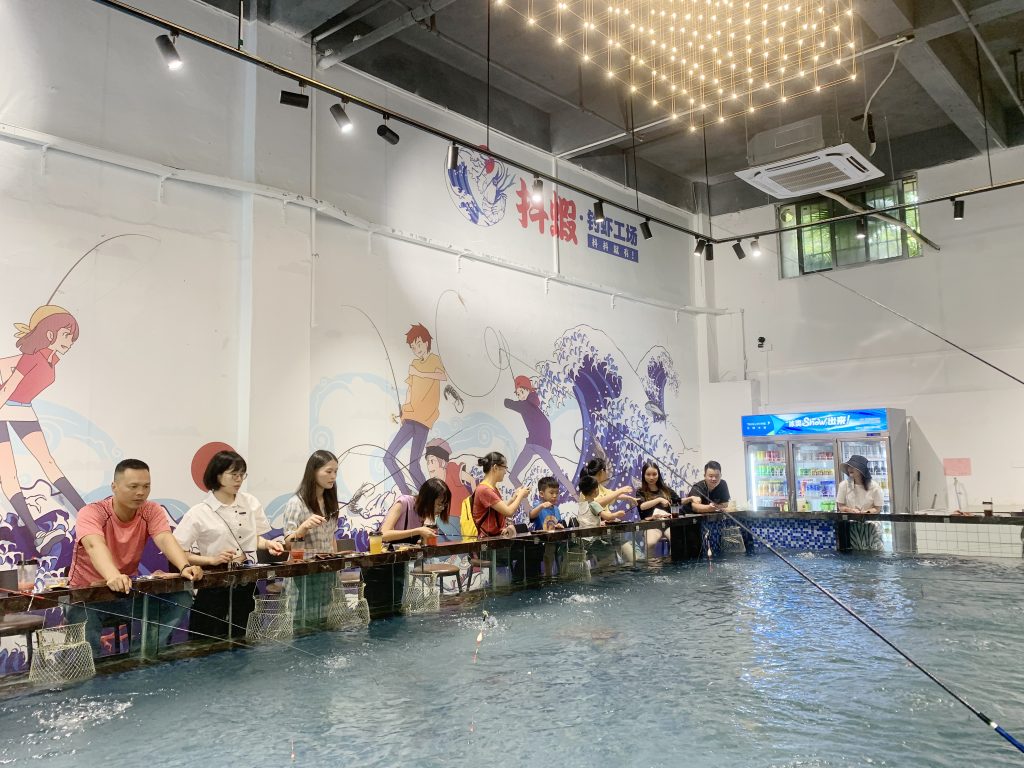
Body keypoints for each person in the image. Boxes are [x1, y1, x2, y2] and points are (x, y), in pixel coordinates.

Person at [66, 459, 203, 655]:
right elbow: (94, 545)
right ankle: (91, 670)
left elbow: (165, 538)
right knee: (86, 641)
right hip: (86, 596)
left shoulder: (151, 510)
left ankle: (143, 656)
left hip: (125, 593)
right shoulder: (92, 512)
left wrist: (184, 567)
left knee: (181, 596)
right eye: (133, 486)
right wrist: (113, 576)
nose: (141, 492)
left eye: (146, 486)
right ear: (114, 486)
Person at [0, 305, 87, 555]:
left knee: (48, 461)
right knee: (9, 474)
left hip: (22, 409)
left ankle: (87, 514)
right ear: (50, 334)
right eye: (66, 334)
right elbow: (8, 388)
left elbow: (9, 369)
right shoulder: (31, 358)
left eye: (72, 336)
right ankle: (36, 533)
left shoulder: (49, 360)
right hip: (3, 406)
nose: (70, 341)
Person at [173, 451, 283, 639]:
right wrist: (211, 560)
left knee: (246, 638)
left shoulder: (250, 503)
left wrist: (267, 544)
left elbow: (252, 539)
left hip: (247, 581)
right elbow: (177, 551)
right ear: (217, 475)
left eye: (242, 474)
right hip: (214, 584)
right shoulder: (199, 512)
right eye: (233, 474)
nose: (239, 479)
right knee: (207, 642)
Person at [280, 450, 341, 629]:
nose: (333, 476)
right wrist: (303, 528)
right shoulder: (296, 503)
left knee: (328, 626)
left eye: (335, 471)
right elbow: (288, 544)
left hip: (328, 573)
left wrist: (336, 562)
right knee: (301, 627)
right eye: (328, 471)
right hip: (304, 576)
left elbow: (331, 537)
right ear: (313, 471)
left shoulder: (330, 501)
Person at [383, 324, 447, 495]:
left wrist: (419, 373)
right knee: (388, 457)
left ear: (426, 342)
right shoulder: (413, 364)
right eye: (413, 346)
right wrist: (404, 411)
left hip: (423, 420)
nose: (416, 349)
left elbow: (442, 376)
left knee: (413, 465)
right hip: (410, 417)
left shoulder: (434, 360)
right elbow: (410, 391)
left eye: (418, 344)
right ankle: (406, 492)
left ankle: (427, 497)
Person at [504, 376, 577, 500]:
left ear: (528, 390)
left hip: (537, 444)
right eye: (518, 393)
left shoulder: (525, 405)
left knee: (513, 476)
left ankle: (575, 496)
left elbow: (507, 403)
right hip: (534, 444)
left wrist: (512, 400)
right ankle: (575, 496)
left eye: (522, 392)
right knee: (558, 473)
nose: (520, 395)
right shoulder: (532, 402)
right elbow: (545, 423)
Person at [579, 458, 636, 563]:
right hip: (598, 535)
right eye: (607, 470)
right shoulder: (586, 490)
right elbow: (597, 503)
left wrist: (629, 497)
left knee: (632, 558)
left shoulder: (600, 487)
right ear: (602, 471)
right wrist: (616, 513)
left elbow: (611, 494)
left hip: (612, 530)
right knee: (607, 565)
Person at [423, 438, 474, 539]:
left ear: (442, 462)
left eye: (432, 461)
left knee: (439, 522)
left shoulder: (451, 470)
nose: (429, 466)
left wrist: (474, 503)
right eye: (428, 462)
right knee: (436, 532)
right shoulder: (433, 485)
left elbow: (471, 480)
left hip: (462, 518)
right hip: (446, 520)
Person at [471, 452, 530, 539]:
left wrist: (514, 498)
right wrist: (521, 495)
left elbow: (501, 510)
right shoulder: (484, 490)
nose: (505, 472)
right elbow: (509, 512)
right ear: (495, 468)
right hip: (487, 541)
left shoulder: (491, 488)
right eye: (504, 467)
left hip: (494, 538)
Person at [380, 478, 451, 545]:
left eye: (444, 505)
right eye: (439, 504)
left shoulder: (424, 513)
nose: (442, 508)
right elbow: (383, 535)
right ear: (428, 500)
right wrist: (418, 531)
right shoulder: (404, 502)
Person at [635, 461, 680, 552]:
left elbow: (678, 500)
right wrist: (659, 499)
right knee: (650, 543)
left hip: (668, 523)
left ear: (658, 474)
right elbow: (642, 506)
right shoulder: (640, 491)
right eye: (648, 474)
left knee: (676, 540)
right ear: (644, 475)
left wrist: (690, 498)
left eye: (654, 474)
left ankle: (673, 560)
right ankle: (652, 562)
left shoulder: (666, 489)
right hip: (651, 525)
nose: (651, 477)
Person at [530, 476, 565, 579]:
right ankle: (548, 575)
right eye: (551, 493)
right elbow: (531, 515)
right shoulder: (538, 505)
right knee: (550, 547)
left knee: (568, 545)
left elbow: (558, 523)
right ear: (542, 494)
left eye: (557, 493)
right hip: (541, 541)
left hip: (555, 539)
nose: (554, 496)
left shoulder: (556, 509)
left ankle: (563, 574)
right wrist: (541, 506)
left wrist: (559, 526)